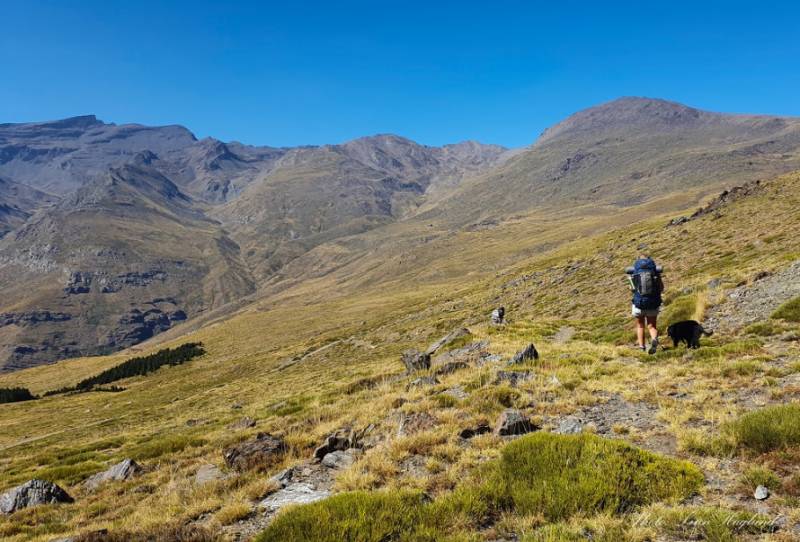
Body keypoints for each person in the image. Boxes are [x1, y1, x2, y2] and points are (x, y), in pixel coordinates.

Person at [627, 254, 663, 354]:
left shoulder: (635, 272)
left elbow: (632, 289)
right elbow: (661, 288)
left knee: (640, 325)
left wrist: (630, 278)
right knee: (652, 326)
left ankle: (642, 347)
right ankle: (654, 339)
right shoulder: (654, 272)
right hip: (653, 303)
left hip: (639, 303)